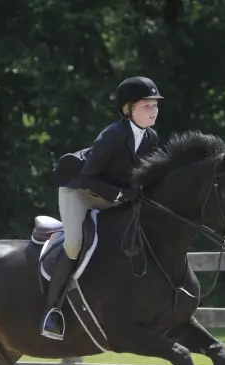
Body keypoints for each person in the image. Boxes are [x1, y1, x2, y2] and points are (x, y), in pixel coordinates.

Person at [41, 75, 164, 340]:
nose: (153, 110)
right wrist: (120, 194)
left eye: (155, 105)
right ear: (127, 108)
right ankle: (52, 311)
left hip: (113, 196)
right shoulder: (113, 135)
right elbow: (86, 178)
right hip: (80, 192)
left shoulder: (151, 137)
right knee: (74, 243)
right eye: (146, 105)